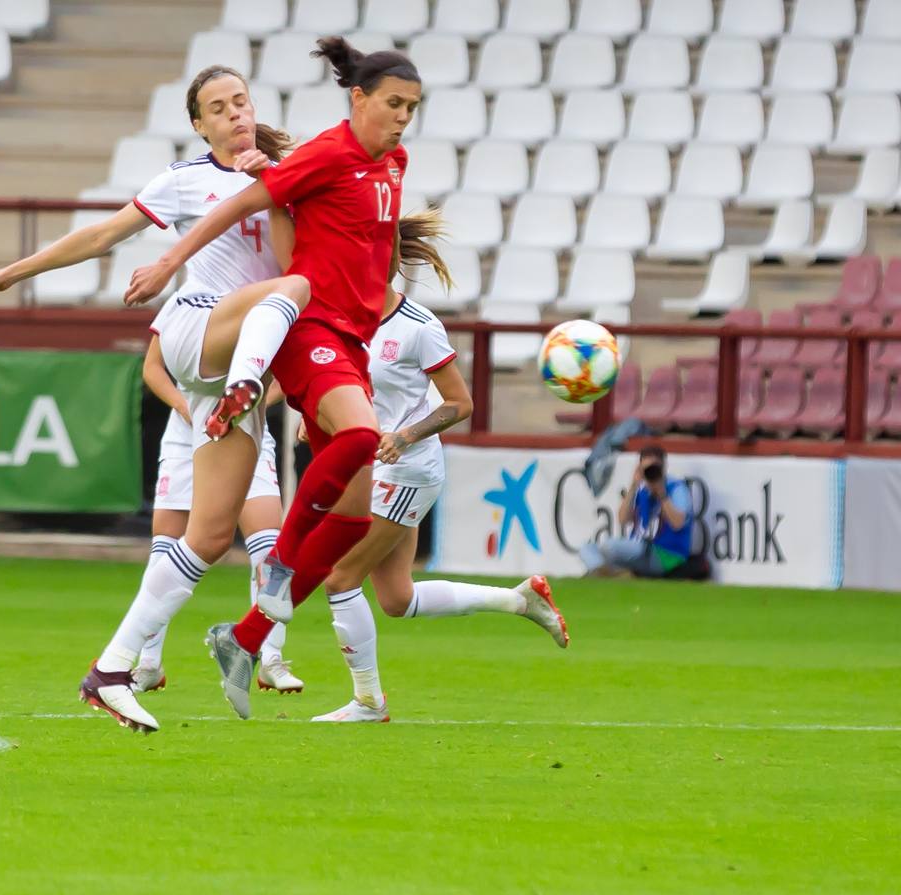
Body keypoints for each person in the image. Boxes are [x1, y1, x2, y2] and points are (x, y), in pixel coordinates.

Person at [0, 64, 308, 731]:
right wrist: (11, 274)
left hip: (237, 365)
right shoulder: (185, 180)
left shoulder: (281, 179)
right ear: (199, 124)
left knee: (207, 538)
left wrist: (273, 189)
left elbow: (293, 262)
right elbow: (100, 236)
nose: (235, 113)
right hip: (196, 332)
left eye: (241, 101)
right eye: (218, 106)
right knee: (292, 295)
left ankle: (113, 671)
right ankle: (246, 384)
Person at [120, 38, 422, 719]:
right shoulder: (326, 151)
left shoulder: (393, 162)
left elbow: (361, 240)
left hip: (351, 339)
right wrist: (170, 262)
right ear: (359, 99)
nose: (403, 119)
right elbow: (237, 205)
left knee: (348, 522)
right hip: (309, 330)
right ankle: (271, 574)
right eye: (394, 104)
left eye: (412, 107)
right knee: (361, 438)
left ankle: (245, 637)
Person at [216, 210, 569, 724]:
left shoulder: (418, 326)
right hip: (366, 462)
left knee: (340, 575)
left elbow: (459, 403)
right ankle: (519, 601)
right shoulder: (341, 318)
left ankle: (368, 702)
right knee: (397, 598)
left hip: (407, 469)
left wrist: (406, 435)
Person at [133, 347, 300, 696]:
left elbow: (289, 369)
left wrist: (250, 407)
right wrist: (186, 408)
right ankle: (147, 663)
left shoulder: (268, 301)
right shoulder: (186, 300)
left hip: (246, 432)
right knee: (164, 550)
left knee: (271, 550)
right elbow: (153, 367)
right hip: (186, 434)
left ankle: (271, 659)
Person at [578, 445, 699, 579]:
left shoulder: (676, 488)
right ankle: (603, 574)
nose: (651, 472)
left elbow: (678, 523)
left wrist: (662, 494)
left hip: (666, 554)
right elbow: (623, 520)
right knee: (586, 548)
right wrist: (633, 486)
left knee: (609, 546)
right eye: (646, 468)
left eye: (655, 468)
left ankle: (606, 574)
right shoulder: (641, 489)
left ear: (663, 467)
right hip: (639, 548)